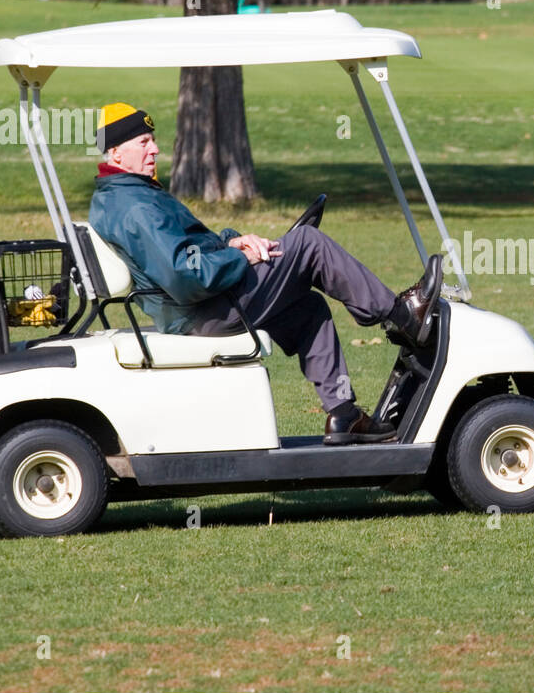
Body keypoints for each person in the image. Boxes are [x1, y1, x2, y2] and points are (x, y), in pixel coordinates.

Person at [87, 102, 441, 446]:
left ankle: (343, 411)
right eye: (144, 143)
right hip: (203, 311)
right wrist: (242, 259)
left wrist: (234, 242)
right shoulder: (136, 207)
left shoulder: (123, 194)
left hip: (195, 309)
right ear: (116, 153)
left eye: (153, 140)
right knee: (308, 243)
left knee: (309, 309)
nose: (156, 149)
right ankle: (401, 315)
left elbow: (188, 247)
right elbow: (187, 277)